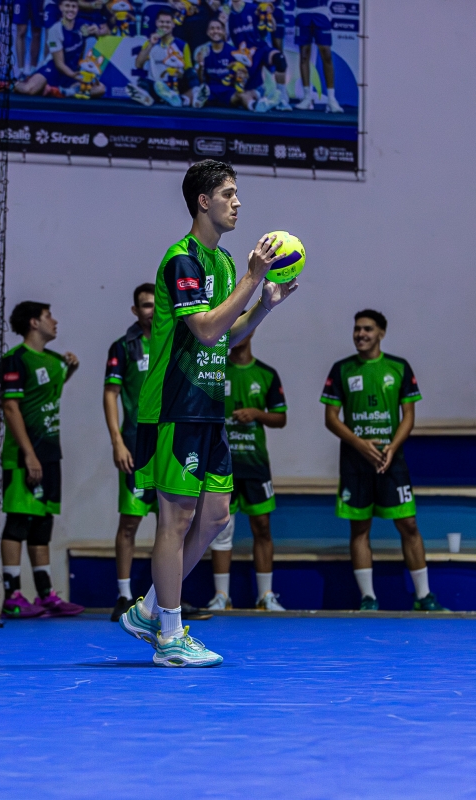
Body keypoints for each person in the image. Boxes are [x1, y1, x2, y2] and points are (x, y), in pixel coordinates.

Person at [119, 159, 298, 667]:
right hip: (175, 407)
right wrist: (252, 277)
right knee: (175, 520)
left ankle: (149, 609)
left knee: (216, 515)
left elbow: (228, 334)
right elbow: (203, 329)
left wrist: (264, 305)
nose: (237, 203)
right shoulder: (183, 260)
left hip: (208, 408)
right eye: (228, 194)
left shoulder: (222, 263)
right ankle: (169, 637)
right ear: (203, 201)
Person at [321, 310, 446, 612]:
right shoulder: (341, 369)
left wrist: (392, 447)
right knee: (359, 529)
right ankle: (368, 598)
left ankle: (424, 597)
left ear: (381, 333)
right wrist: (360, 444)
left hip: (391, 461)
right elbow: (331, 418)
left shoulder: (399, 367)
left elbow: (409, 416)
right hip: (355, 464)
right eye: (357, 329)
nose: (360, 334)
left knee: (409, 524)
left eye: (367, 329)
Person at [0, 301, 84, 618]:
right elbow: (11, 407)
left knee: (42, 523)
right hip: (24, 456)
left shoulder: (54, 360)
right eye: (49, 316)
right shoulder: (15, 359)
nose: (55, 321)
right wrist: (29, 454)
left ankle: (46, 594)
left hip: (50, 453)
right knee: (19, 521)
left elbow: (46, 394)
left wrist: (70, 370)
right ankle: (12, 596)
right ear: (34, 322)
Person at [206, 328, 287, 611]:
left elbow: (280, 418)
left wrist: (256, 414)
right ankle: (221, 596)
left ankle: (266, 596)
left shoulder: (266, 373)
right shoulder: (214, 371)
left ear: (251, 333)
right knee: (220, 528)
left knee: (262, 526)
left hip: (255, 464)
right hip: (221, 464)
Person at [103, 284, 158, 622]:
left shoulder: (176, 339)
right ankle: (124, 596)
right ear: (135, 311)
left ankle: (165, 597)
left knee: (173, 525)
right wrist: (117, 442)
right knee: (130, 522)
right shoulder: (123, 347)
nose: (151, 310)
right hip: (136, 446)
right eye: (145, 305)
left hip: (170, 446)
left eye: (156, 303)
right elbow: (111, 394)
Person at [14, 0, 107, 98]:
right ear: (61, 8)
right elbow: (59, 64)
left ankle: (63, 91)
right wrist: (74, 75)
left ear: (77, 9)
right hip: (54, 69)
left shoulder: (82, 25)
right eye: (67, 6)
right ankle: (12, 84)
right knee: (29, 89)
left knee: (100, 89)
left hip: (73, 71)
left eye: (73, 7)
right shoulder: (55, 30)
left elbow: (104, 33)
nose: (70, 10)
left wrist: (98, 32)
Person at [127, 8, 198, 107]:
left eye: (168, 22)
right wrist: (151, 44)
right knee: (143, 81)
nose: (164, 25)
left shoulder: (182, 45)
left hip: (175, 84)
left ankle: (187, 96)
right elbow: (138, 65)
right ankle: (147, 97)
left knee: (191, 75)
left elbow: (188, 70)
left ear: (173, 24)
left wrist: (178, 74)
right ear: (156, 23)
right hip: (156, 85)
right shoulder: (149, 43)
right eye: (161, 22)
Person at [293, 0, 342, 112]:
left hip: (321, 10)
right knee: (304, 55)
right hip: (302, 10)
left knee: (326, 54)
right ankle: (307, 97)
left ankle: (331, 99)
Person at [193, 18, 239, 107]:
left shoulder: (233, 51)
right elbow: (200, 80)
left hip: (229, 92)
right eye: (212, 28)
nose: (215, 31)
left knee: (243, 95)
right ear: (207, 32)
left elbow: (239, 78)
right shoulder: (202, 51)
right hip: (209, 92)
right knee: (194, 93)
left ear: (224, 31)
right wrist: (201, 66)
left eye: (218, 28)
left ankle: (258, 105)